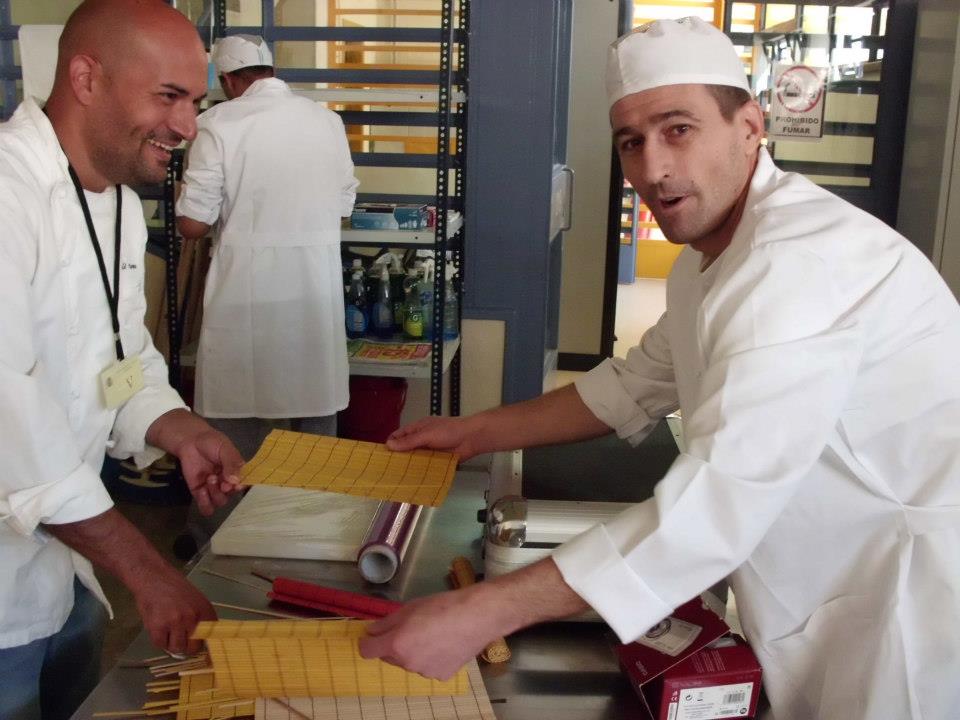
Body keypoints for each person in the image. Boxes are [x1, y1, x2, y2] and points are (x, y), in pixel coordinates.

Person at [359, 17, 960, 720]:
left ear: (750, 126)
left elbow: (717, 503)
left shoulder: (797, 261)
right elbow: (628, 387)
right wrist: (472, 434)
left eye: (679, 129)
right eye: (631, 141)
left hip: (908, 602)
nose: (652, 168)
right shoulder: (709, 261)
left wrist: (485, 610)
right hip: (826, 579)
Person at [0, 2, 245, 718]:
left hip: (64, 575)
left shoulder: (116, 204)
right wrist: (148, 570)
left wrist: (173, 424)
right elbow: (11, 419)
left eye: (196, 102)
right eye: (167, 96)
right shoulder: (8, 199)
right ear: (85, 78)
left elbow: (120, 353)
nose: (188, 127)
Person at [176, 34, 359, 464]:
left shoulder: (217, 124)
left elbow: (192, 225)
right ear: (269, 72)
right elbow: (343, 208)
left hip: (245, 296)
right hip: (314, 293)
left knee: (238, 419)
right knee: (315, 419)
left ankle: (220, 529)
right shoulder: (326, 121)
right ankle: (310, 525)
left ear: (227, 80)